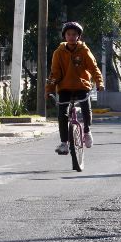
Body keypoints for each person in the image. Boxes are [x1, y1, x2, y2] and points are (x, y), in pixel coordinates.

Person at [45, 22, 104, 155]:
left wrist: (99, 83)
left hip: (81, 86)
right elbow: (54, 73)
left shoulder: (84, 51)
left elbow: (94, 68)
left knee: (85, 107)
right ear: (64, 36)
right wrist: (49, 89)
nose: (71, 37)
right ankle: (64, 143)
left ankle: (87, 131)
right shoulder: (58, 53)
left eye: (74, 34)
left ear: (78, 36)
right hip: (64, 87)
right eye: (68, 34)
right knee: (62, 114)